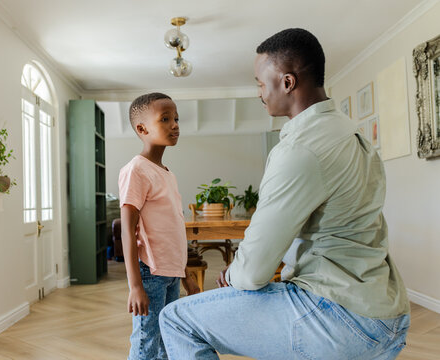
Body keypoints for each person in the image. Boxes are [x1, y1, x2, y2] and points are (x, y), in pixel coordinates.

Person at [159, 28, 410, 360]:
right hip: (387, 312)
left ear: (288, 83)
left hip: (340, 318)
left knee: (176, 319)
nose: (259, 93)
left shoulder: (300, 148)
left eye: (261, 84)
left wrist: (234, 273)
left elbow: (251, 274)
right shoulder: (353, 135)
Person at [119, 92, 200, 360]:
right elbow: (127, 230)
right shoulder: (136, 170)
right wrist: (135, 286)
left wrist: (185, 273)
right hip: (149, 272)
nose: (175, 124)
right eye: (165, 119)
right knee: (146, 342)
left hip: (170, 273)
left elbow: (174, 229)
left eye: (176, 118)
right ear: (142, 129)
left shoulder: (167, 174)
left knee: (167, 339)